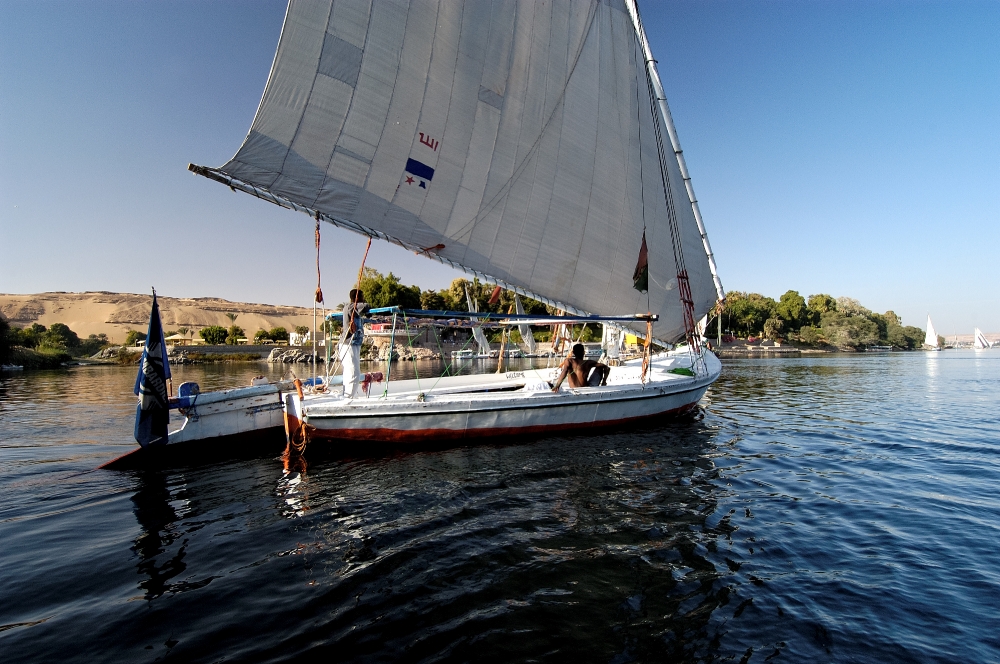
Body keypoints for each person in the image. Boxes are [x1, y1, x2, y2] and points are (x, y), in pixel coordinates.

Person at [338, 289, 370, 397]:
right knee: (353, 372)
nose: (364, 298)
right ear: (358, 298)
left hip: (355, 344)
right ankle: (348, 397)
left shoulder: (355, 310)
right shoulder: (351, 307)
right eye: (362, 296)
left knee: (350, 371)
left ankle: (346, 395)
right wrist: (364, 304)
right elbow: (366, 306)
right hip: (348, 344)